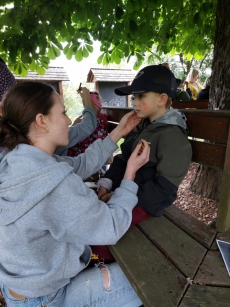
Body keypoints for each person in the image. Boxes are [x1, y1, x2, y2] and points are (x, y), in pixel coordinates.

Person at [0, 81, 150, 307]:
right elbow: (111, 227)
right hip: (45, 298)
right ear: (42, 121)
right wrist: (130, 173)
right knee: (147, 278)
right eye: (63, 113)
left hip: (20, 287)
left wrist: (118, 132)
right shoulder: (51, 184)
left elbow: (79, 164)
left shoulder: (17, 160)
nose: (70, 121)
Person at [94, 65, 192, 262]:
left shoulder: (172, 136)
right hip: (126, 193)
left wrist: (118, 196)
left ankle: (100, 264)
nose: (134, 102)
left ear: (162, 99)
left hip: (147, 204)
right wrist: (106, 183)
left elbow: (164, 189)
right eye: (134, 97)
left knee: (101, 234)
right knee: (93, 217)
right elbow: (123, 159)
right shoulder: (145, 126)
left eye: (141, 96)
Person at [67, 90, 108, 157]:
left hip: (87, 152)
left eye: (92, 107)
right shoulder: (92, 120)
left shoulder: (99, 120)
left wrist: (75, 125)